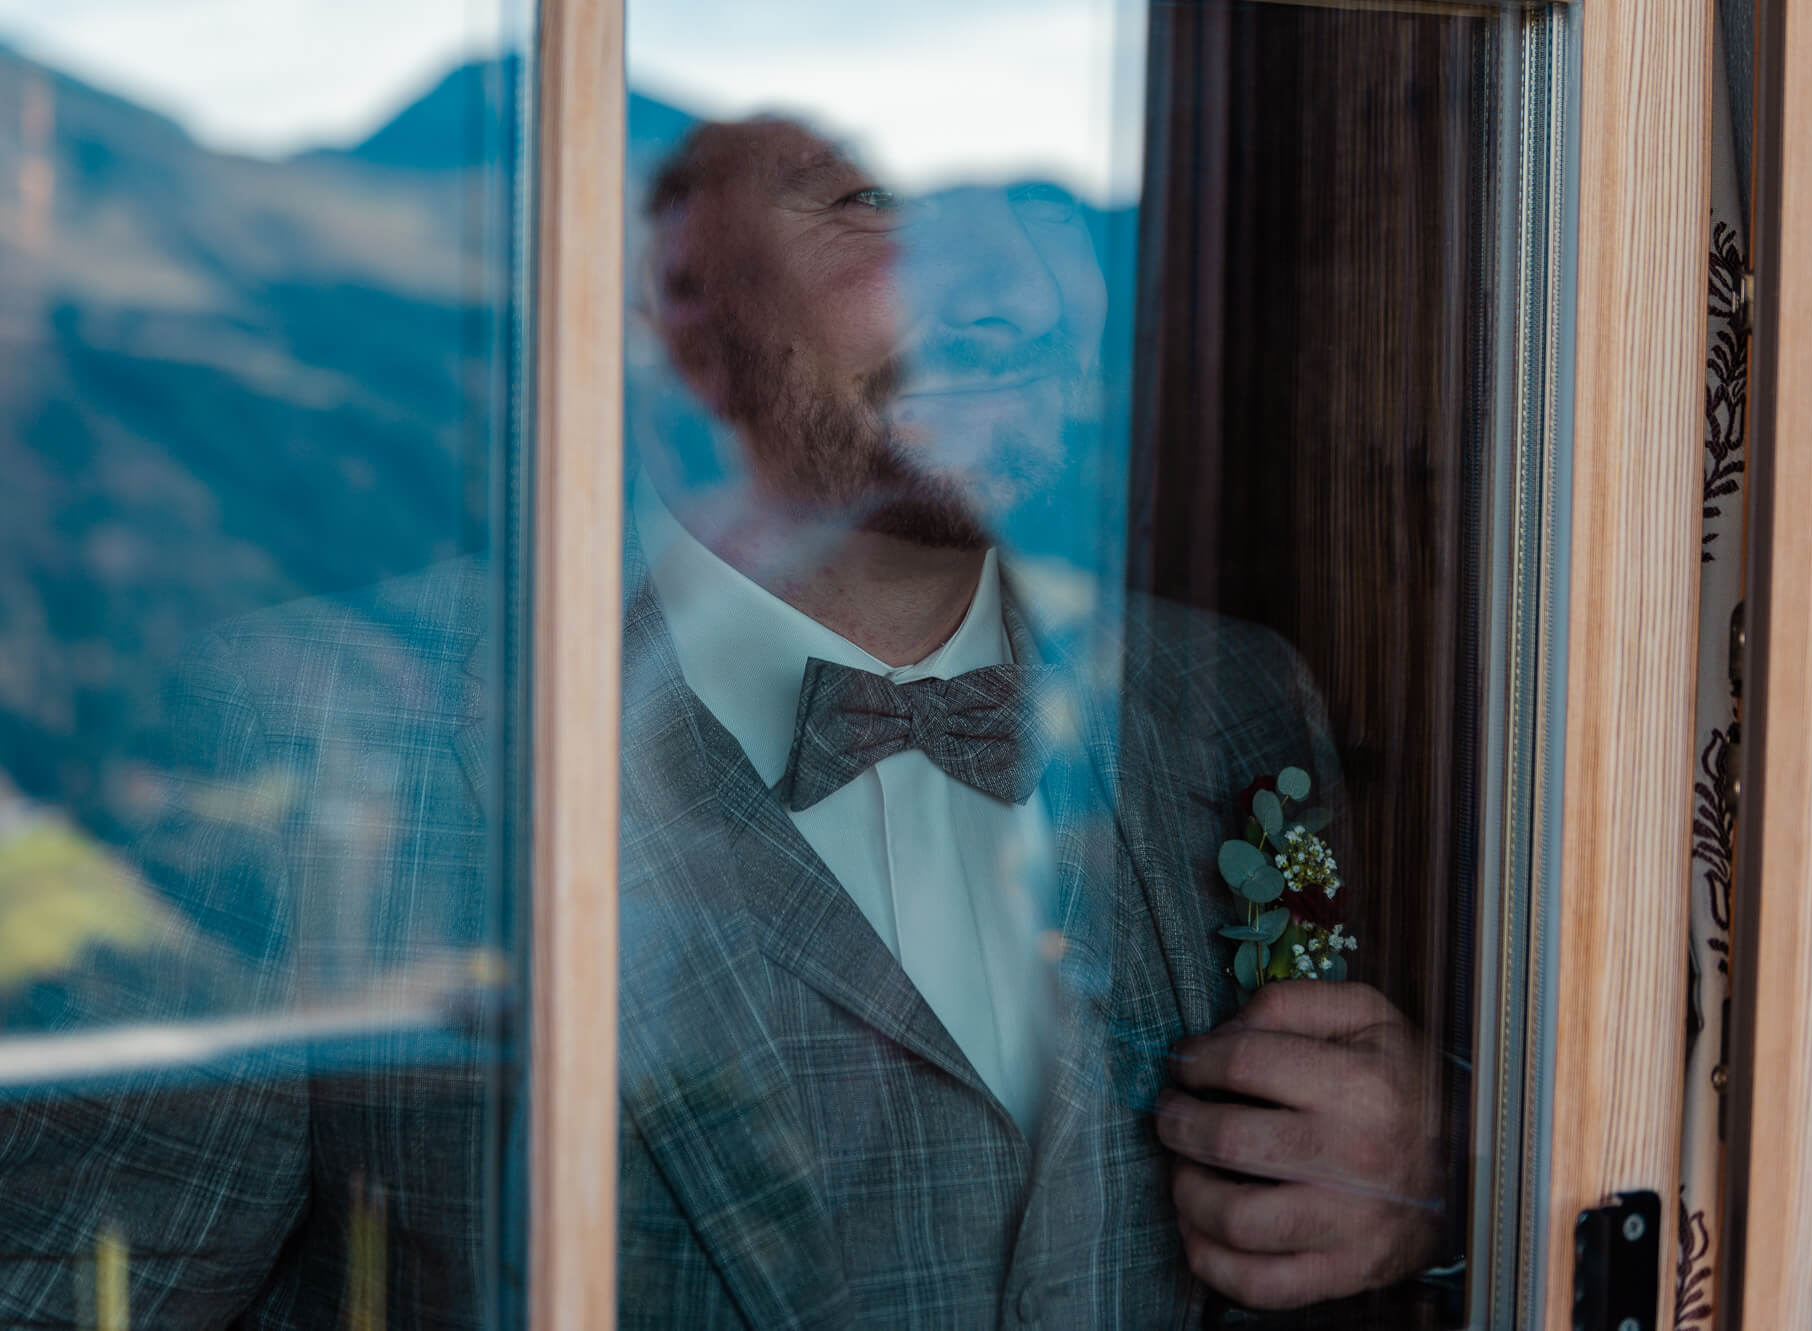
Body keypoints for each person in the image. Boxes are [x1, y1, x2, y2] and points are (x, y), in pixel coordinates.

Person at [0, 115, 1444, 1328]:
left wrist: (1427, 1200)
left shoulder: (1229, 704)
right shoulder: (312, 718)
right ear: (664, 302)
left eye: (1047, 207)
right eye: (879, 204)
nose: (1013, 292)